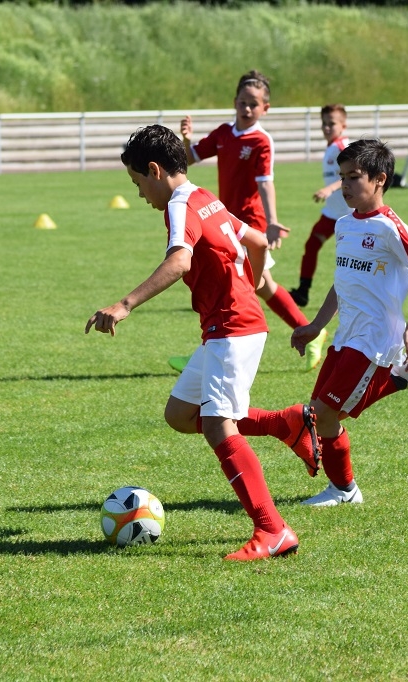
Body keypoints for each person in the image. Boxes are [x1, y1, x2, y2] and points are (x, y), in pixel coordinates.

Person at [86, 125, 321, 561]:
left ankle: (272, 530)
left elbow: (180, 260)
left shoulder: (179, 205)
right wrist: (250, 284)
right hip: (227, 327)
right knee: (180, 414)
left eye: (138, 183)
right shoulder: (204, 197)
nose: (140, 194)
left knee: (217, 426)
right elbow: (256, 241)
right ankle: (284, 424)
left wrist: (124, 305)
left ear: (155, 170)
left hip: (233, 328)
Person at [238, 139, 408, 506]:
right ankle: (346, 485)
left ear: (380, 179)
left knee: (321, 414)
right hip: (345, 336)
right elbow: (342, 282)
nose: (344, 185)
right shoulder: (346, 224)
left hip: (375, 340)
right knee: (323, 416)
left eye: (353, 177)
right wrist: (316, 326)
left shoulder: (390, 227)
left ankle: (346, 487)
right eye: (341, 177)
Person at [176, 70, 327, 372]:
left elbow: (265, 182)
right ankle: (310, 332)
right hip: (224, 220)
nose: (247, 108)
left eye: (254, 104)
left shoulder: (261, 140)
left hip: (249, 224)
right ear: (234, 102)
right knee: (257, 285)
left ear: (265, 108)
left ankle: (206, 357)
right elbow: (189, 158)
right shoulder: (223, 133)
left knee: (234, 285)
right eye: (243, 102)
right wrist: (186, 139)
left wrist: (272, 221)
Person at [289, 104, 351, 308]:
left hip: (349, 213)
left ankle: (353, 295)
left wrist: (329, 189)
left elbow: (355, 173)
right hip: (332, 213)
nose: (326, 127)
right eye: (324, 123)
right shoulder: (332, 147)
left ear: (343, 125)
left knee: (350, 256)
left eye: (331, 123)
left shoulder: (343, 147)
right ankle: (303, 292)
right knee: (312, 245)